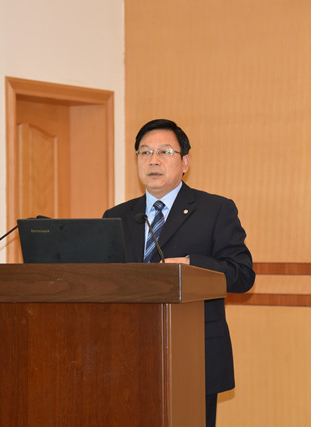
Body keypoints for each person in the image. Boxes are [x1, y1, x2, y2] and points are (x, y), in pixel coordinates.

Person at [103, 118, 255, 427]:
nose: (153, 160)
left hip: (193, 353)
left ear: (185, 162)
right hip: (127, 352)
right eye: (145, 152)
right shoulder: (117, 216)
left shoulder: (215, 210)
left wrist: (191, 265)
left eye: (165, 151)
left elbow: (242, 275)